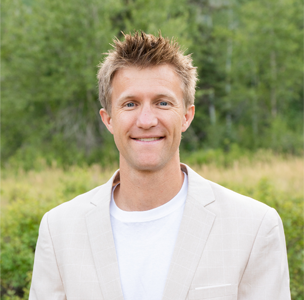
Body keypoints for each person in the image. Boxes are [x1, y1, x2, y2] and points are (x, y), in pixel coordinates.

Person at [29, 32, 291, 300]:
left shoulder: (255, 227)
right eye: (130, 104)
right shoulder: (59, 229)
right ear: (108, 120)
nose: (146, 120)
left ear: (187, 117)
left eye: (162, 103)